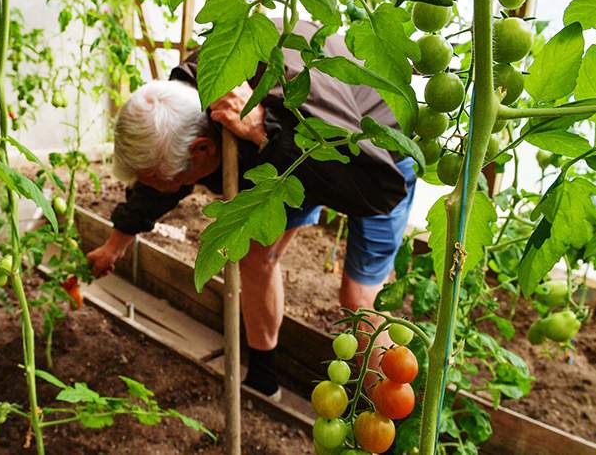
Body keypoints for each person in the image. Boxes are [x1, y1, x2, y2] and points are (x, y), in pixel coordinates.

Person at [86, 20, 417, 399]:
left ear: (202, 150)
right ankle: (263, 378)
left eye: (159, 178)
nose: (159, 187)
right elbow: (161, 181)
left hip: (373, 157)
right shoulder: (191, 95)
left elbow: (374, 191)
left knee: (359, 299)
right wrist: (116, 243)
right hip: (285, 152)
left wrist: (263, 131)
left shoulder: (289, 86)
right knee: (256, 255)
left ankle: (385, 419)